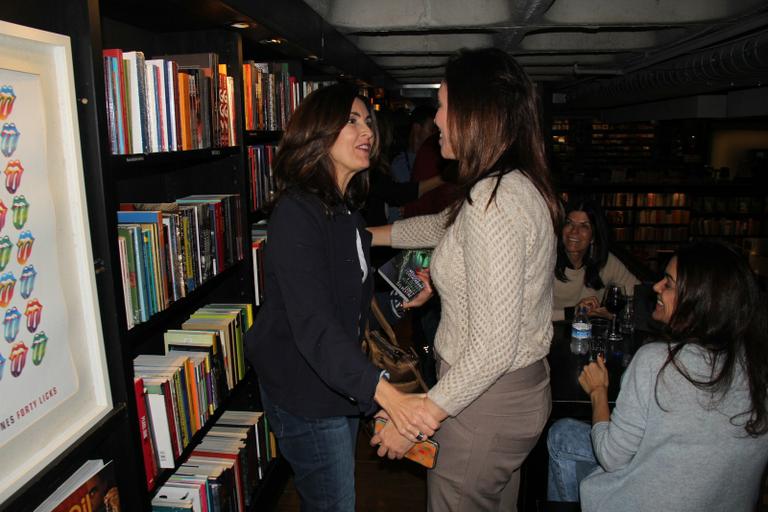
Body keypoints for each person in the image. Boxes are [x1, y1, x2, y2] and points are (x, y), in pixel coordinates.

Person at [368, 47, 562, 511]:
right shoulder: (509, 183)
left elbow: (492, 347)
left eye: (443, 106)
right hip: (516, 395)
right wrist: (368, 236)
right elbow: (441, 228)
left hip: (485, 404)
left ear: (477, 115)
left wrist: (415, 420)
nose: (436, 120)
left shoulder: (492, 203)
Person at [244, 84, 440, 512]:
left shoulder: (347, 211)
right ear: (318, 133)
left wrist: (404, 300)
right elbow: (315, 327)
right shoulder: (297, 213)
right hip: (307, 395)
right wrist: (388, 397)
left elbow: (354, 311)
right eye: (351, 121)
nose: (366, 129)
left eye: (368, 120)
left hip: (339, 385)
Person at [547, 241, 768, 511]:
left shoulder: (656, 361)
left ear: (700, 298)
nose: (656, 287)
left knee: (561, 434)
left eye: (669, 283)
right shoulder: (758, 364)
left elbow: (611, 457)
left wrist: (598, 393)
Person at [552, 199, 639, 321]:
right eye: (569, 223)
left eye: (584, 226)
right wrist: (575, 312)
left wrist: (615, 314)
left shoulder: (605, 262)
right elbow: (529, 312)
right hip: (546, 336)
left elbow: (639, 297)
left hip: (587, 336)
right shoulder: (547, 260)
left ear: (593, 236)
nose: (574, 231)